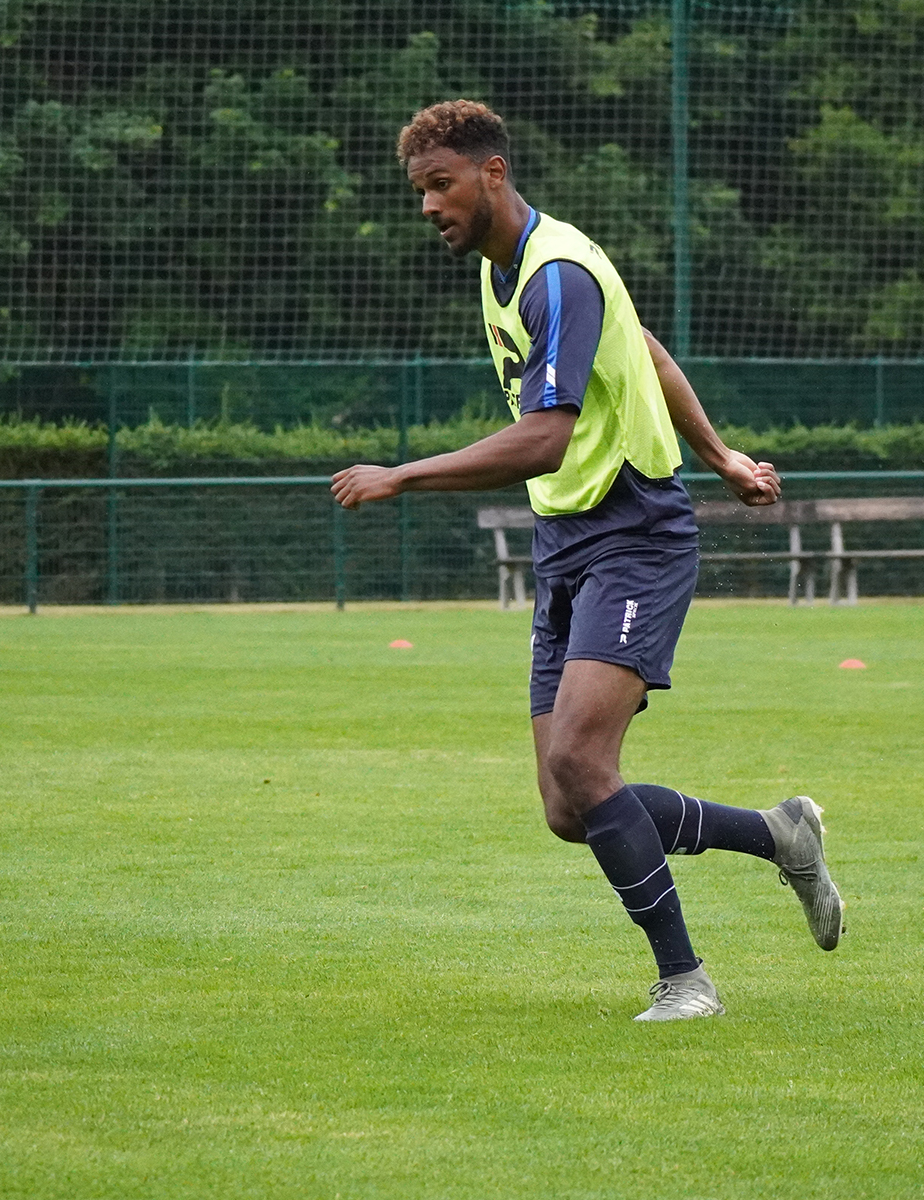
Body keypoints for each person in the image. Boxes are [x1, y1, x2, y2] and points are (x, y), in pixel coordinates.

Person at [332, 100, 843, 1021]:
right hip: (567, 541)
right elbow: (639, 345)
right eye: (418, 193)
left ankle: (686, 981)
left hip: (636, 530)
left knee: (580, 756)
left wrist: (402, 476)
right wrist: (725, 454)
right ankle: (779, 836)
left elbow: (545, 441)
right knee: (569, 805)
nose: (428, 207)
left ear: (492, 173)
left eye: (440, 185)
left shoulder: (556, 271)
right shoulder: (507, 275)